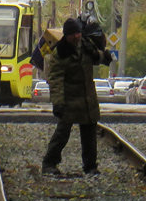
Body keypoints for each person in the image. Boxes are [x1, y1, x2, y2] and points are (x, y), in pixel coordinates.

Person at [42, 18, 107, 177]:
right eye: (72, 34)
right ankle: (49, 163)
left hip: (87, 99)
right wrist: (57, 103)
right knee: (62, 133)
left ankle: (90, 166)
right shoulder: (60, 53)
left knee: (89, 134)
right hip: (69, 99)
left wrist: (98, 53)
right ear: (66, 36)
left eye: (78, 33)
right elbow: (56, 80)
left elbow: (101, 58)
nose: (76, 36)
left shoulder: (87, 45)